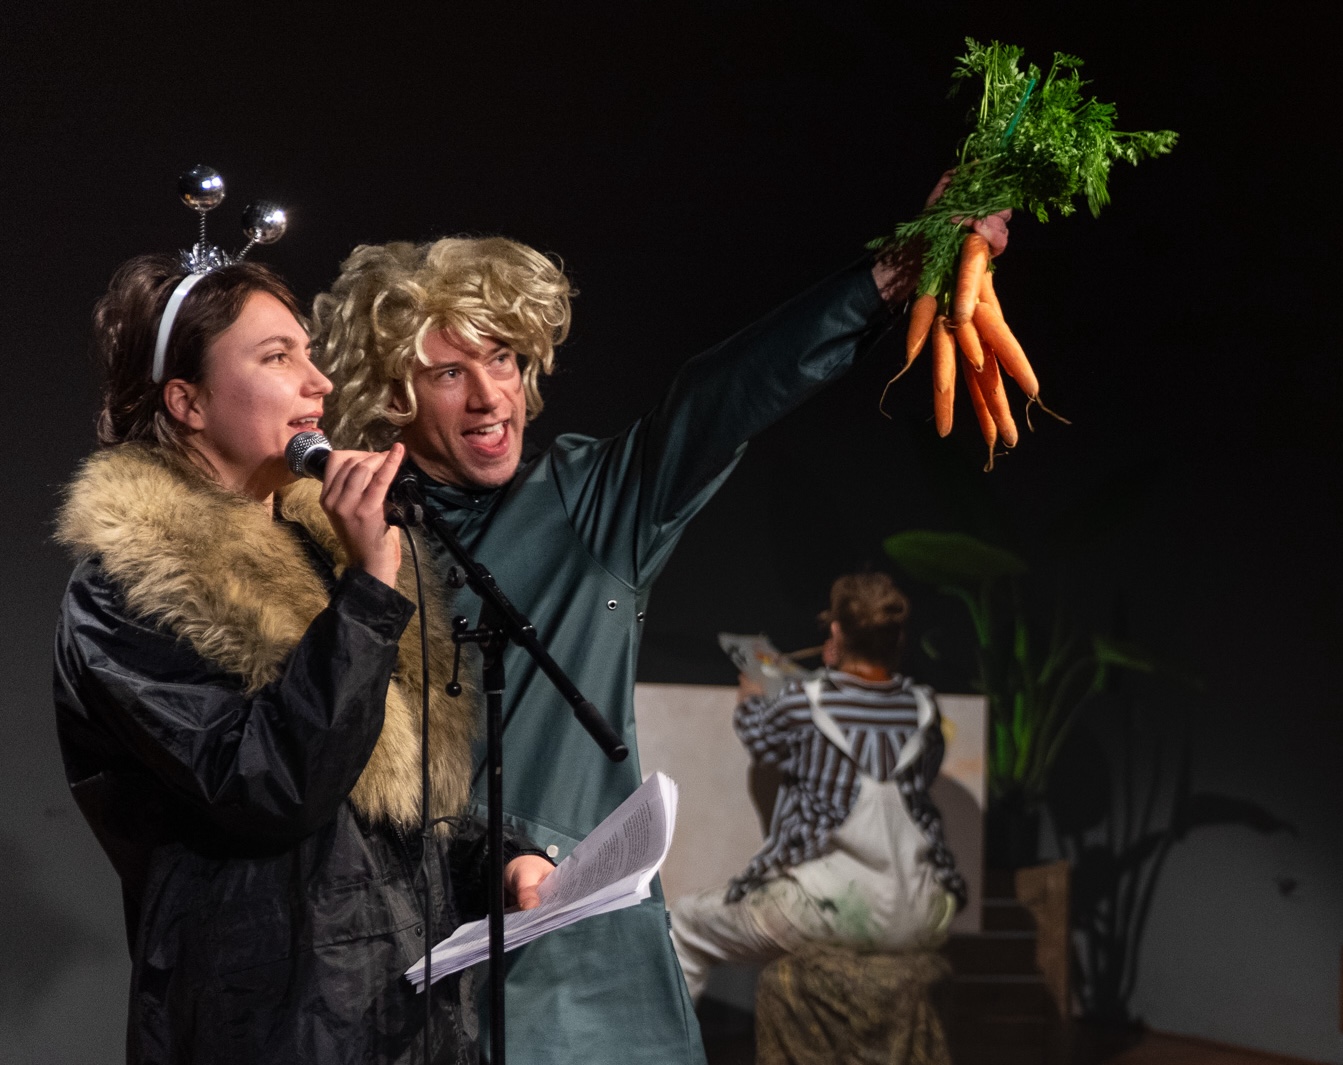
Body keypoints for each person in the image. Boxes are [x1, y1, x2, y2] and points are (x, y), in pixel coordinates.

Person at [311, 181, 1006, 1063]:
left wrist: (890, 275)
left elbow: (718, 399)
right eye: (451, 372)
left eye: (505, 359)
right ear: (393, 394)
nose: (491, 396)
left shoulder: (585, 504)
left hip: (576, 963)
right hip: (410, 962)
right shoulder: (347, 540)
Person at [52, 252, 555, 1065]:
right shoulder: (125, 589)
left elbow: (376, 822)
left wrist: (499, 863)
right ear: (187, 401)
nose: (318, 382)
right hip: (270, 1033)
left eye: (310, 354)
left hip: (406, 1026)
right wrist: (369, 591)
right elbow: (275, 786)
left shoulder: (319, 551)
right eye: (278, 357)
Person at [667, 572, 965, 997]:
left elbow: (759, 737)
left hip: (824, 909)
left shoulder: (805, 703)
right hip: (920, 910)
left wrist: (751, 696)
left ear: (837, 632)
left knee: (684, 922)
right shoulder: (924, 708)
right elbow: (925, 771)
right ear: (898, 638)